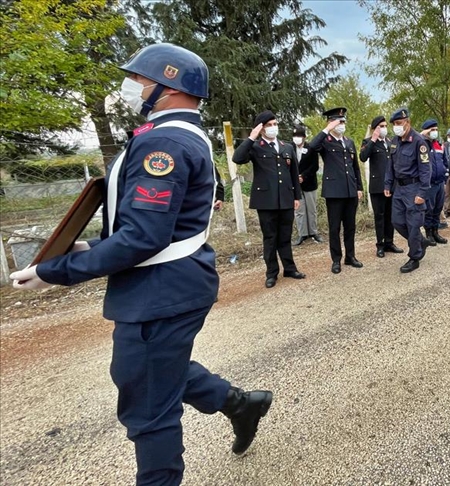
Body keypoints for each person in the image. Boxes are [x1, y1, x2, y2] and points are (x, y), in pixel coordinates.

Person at [12, 43, 272, 485]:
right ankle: (239, 404)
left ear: (166, 88)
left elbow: (143, 237)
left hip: (162, 288)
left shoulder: (164, 143)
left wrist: (55, 272)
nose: (130, 88)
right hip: (169, 282)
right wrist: (88, 248)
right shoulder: (176, 135)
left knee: (149, 406)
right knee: (147, 370)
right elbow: (148, 224)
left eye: (138, 80)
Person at [233, 110, 305, 287]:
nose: (273, 128)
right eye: (269, 125)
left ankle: (289, 268)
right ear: (262, 129)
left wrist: (297, 196)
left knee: (285, 236)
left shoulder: (287, 147)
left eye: (275, 124)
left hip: (286, 198)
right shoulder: (256, 147)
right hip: (266, 200)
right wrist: (251, 137)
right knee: (270, 238)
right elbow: (238, 158)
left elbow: (294, 173)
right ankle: (271, 273)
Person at [307, 107, 364, 274]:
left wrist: (359, 187)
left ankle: (350, 256)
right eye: (338, 121)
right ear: (330, 123)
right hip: (334, 192)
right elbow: (311, 147)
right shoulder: (325, 141)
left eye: (343, 121)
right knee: (334, 228)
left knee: (350, 226)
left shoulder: (349, 142)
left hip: (350, 191)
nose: (341, 124)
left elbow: (355, 169)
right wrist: (327, 130)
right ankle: (336, 259)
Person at [385, 108, 431, 273]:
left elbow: (426, 170)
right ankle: (420, 241)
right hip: (399, 188)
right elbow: (390, 165)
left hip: (414, 188)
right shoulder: (394, 141)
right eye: (394, 124)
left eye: (399, 123)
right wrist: (387, 184)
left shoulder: (419, 142)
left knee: (413, 225)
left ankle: (415, 256)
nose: (396, 127)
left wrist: (422, 193)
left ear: (407, 122)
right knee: (397, 221)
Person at [360, 115, 404, 258]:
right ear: (375, 128)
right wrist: (373, 139)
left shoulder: (390, 142)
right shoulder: (368, 142)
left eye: (385, 126)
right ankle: (380, 245)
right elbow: (363, 157)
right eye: (381, 126)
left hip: (391, 185)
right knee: (379, 216)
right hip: (377, 186)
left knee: (391, 216)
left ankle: (389, 242)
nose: (385, 129)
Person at [293, 125, 324, 246]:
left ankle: (313, 232)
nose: (297, 138)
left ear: (304, 137)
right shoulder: (290, 148)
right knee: (299, 210)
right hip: (296, 185)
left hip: (309, 183)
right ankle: (302, 233)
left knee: (311, 209)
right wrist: (296, 177)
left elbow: (314, 166)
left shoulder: (311, 148)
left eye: (299, 136)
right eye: (295, 136)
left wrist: (303, 176)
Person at [419, 119, 448, 245]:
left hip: (440, 182)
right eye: (432, 130)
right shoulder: (422, 144)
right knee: (429, 210)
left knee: (438, 208)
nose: (435, 132)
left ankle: (436, 232)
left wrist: (445, 177)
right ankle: (429, 234)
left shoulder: (439, 144)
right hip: (429, 184)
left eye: (436, 129)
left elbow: (445, 162)